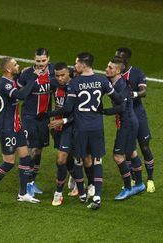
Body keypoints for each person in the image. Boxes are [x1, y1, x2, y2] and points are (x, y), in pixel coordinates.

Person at [40, 52, 123, 210]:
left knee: (78, 160)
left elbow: (68, 108)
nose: (75, 66)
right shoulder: (102, 80)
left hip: (80, 127)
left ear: (83, 65)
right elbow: (119, 100)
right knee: (96, 160)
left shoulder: (75, 83)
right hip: (97, 127)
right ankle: (97, 196)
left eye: (77, 63)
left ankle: (83, 193)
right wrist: (104, 111)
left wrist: (48, 114)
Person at [0, 57, 42, 204]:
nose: (18, 65)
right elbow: (20, 95)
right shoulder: (4, 83)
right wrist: (34, 77)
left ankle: (23, 193)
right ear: (8, 69)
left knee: (25, 157)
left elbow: (4, 99)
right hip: (6, 128)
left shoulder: (11, 80)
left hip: (16, 126)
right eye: (15, 64)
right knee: (8, 162)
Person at [102, 58, 146, 200]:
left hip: (127, 123)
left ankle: (128, 188)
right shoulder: (112, 81)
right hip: (130, 121)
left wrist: (103, 111)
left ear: (118, 71)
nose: (106, 69)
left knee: (118, 156)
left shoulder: (121, 85)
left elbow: (120, 107)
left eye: (110, 67)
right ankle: (139, 184)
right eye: (107, 66)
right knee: (131, 152)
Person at [115, 47, 156, 193]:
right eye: (116, 57)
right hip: (124, 116)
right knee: (127, 150)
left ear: (127, 59)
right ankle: (132, 178)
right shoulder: (114, 74)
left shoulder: (137, 73)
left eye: (120, 57)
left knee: (144, 146)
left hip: (138, 114)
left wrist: (133, 94)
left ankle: (150, 179)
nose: (117, 60)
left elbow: (144, 91)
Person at [17, 48, 57, 195]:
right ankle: (25, 184)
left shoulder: (53, 71)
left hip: (44, 117)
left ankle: (32, 182)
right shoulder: (27, 73)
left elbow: (70, 72)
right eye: (38, 61)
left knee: (39, 149)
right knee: (31, 150)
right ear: (34, 59)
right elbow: (18, 91)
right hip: (29, 116)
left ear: (48, 59)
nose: (40, 64)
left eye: (43, 61)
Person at [47, 62, 75, 206]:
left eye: (63, 75)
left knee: (60, 159)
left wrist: (63, 121)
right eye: (57, 75)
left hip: (71, 126)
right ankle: (76, 177)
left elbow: (80, 113)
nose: (59, 78)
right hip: (56, 127)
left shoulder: (76, 86)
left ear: (69, 73)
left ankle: (58, 193)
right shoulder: (54, 84)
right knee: (67, 157)